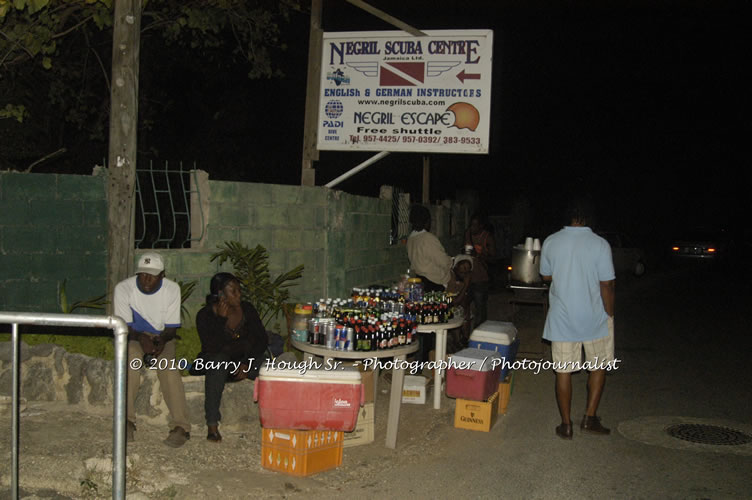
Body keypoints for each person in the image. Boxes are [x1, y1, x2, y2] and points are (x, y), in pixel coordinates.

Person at [540, 199, 616, 440]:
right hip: (595, 317)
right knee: (599, 366)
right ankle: (589, 418)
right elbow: (607, 284)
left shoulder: (551, 241)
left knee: (563, 372)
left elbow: (546, 276)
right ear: (588, 218)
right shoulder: (600, 244)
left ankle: (566, 425)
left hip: (562, 318)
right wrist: (610, 312)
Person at [114, 252, 191, 447]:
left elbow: (172, 328)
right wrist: (141, 338)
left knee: (169, 368)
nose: (147, 279)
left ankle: (181, 427)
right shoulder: (124, 289)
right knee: (130, 361)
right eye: (143, 274)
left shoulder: (172, 289)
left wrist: (160, 341)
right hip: (133, 335)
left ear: (162, 275)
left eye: (153, 275)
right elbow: (124, 327)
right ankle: (126, 421)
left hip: (162, 336)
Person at [195, 272, 269, 443]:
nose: (239, 295)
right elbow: (211, 347)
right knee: (217, 363)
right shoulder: (205, 315)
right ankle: (212, 425)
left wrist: (245, 362)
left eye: (239, 290)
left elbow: (261, 339)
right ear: (220, 294)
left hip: (244, 361)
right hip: (218, 362)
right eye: (233, 291)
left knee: (269, 367)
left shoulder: (247, 309)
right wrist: (221, 319)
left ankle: (276, 418)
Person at [406, 204, 452, 292]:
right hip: (434, 281)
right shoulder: (428, 238)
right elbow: (443, 261)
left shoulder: (411, 239)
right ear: (427, 222)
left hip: (419, 279)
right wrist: (451, 261)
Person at [464, 212, 496, 328]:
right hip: (467, 277)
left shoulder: (487, 237)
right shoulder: (467, 234)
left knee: (480, 307)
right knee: (465, 306)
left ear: (481, 226)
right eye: (471, 225)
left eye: (475, 225)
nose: (472, 228)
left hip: (481, 278)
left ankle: (481, 332)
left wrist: (478, 255)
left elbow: (493, 259)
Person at [445, 255, 473, 350]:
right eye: (462, 269)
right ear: (456, 267)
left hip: (457, 304)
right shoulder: (450, 277)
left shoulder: (464, 278)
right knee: (458, 312)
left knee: (467, 311)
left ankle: (464, 340)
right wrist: (466, 285)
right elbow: (455, 302)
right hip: (447, 305)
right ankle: (458, 342)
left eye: (467, 270)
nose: (465, 272)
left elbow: (466, 299)